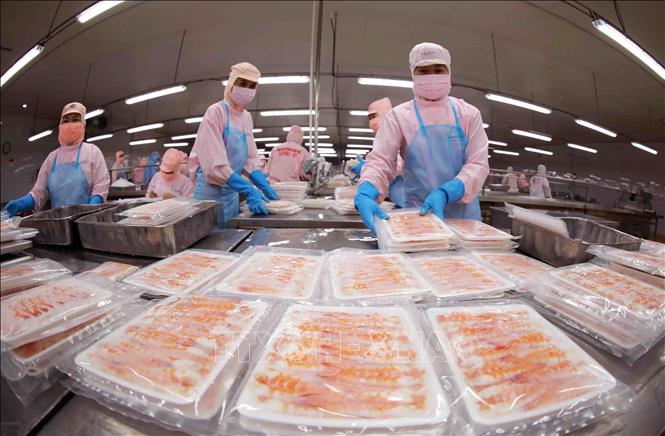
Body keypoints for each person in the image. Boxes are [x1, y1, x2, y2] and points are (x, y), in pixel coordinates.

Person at [355, 42, 489, 232]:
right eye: (423, 71)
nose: (431, 76)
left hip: (465, 220)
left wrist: (448, 191)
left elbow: (478, 164)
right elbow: (381, 161)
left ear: (449, 72)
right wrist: (367, 189)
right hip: (420, 217)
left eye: (438, 70)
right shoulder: (399, 116)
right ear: (413, 74)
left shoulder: (468, 114)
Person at [188, 62, 279, 227]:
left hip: (231, 193)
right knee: (209, 239)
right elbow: (214, 165)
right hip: (209, 195)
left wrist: (262, 183)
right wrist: (248, 189)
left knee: (229, 237)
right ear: (231, 83)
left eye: (252, 86)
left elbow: (250, 157)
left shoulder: (246, 117)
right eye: (242, 83)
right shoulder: (216, 112)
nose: (247, 89)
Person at [4, 102, 110, 216]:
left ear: (83, 124)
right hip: (59, 222)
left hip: (86, 221)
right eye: (65, 120)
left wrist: (92, 206)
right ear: (60, 125)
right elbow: (38, 193)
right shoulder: (52, 158)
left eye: (75, 120)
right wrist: (22, 203)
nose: (70, 124)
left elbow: (101, 187)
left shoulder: (92, 152)